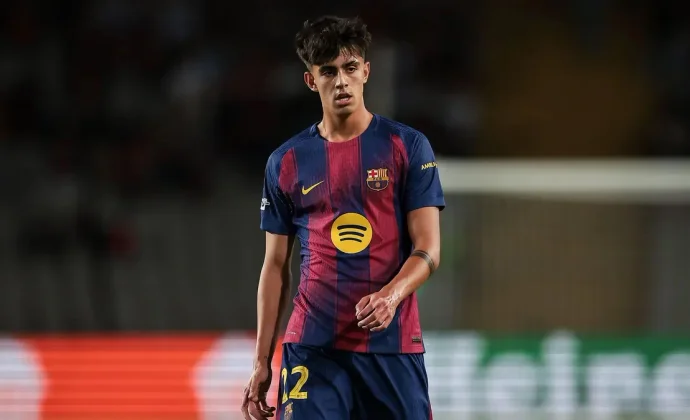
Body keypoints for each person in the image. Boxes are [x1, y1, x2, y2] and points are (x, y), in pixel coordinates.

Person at [241, 15, 444, 420]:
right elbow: (275, 266)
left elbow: (429, 249)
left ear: (366, 71)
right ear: (311, 80)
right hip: (313, 347)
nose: (341, 82)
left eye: (350, 68)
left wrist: (390, 296)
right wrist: (262, 360)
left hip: (390, 345)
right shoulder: (286, 161)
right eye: (328, 72)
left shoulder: (407, 146)